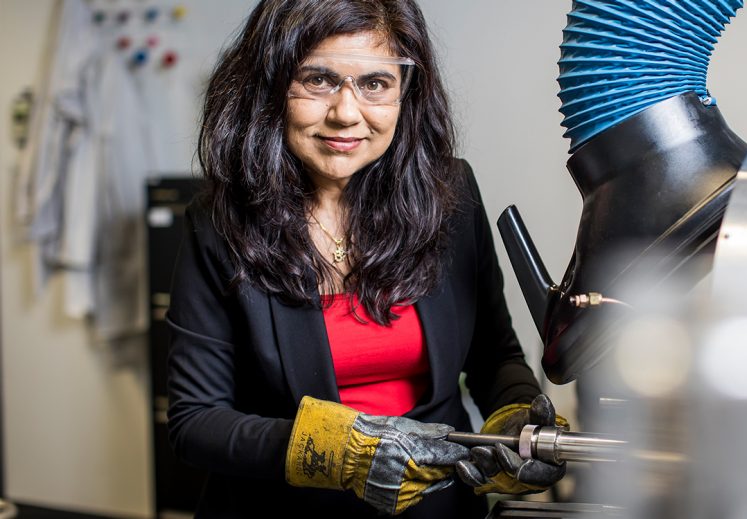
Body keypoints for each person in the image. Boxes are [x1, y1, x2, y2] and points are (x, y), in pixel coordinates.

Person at [166, 0, 567, 516]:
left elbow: (495, 356)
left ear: (406, 92)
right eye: (318, 80)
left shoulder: (450, 195)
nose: (346, 113)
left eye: (375, 83)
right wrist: (341, 454)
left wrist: (518, 426)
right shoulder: (219, 223)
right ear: (269, 88)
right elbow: (195, 420)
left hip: (438, 507)